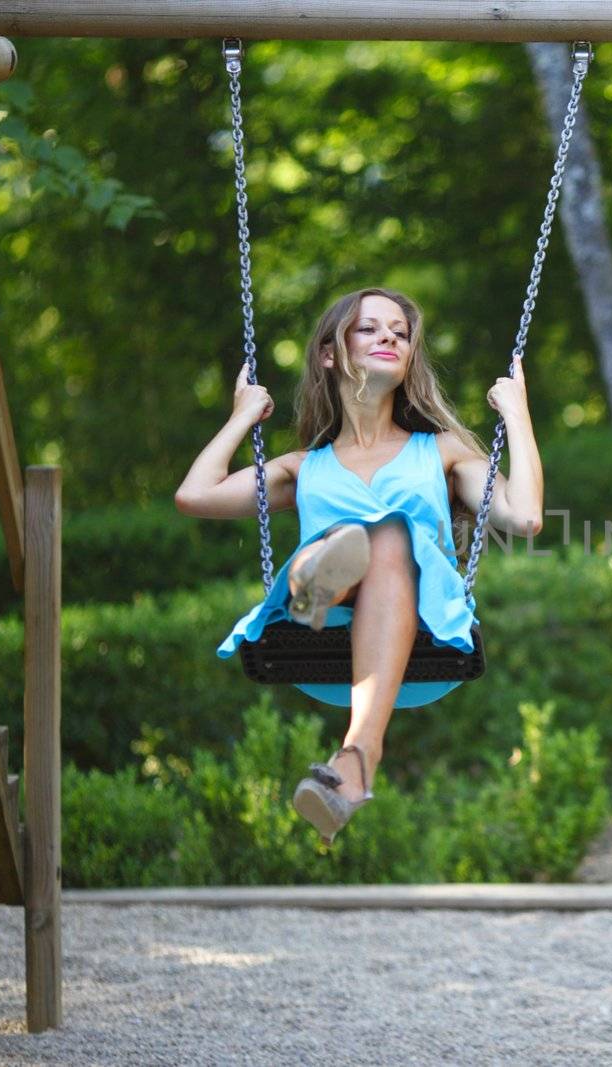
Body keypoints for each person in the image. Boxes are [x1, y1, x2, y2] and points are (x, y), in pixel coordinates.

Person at [175, 287, 544, 843]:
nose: (389, 337)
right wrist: (241, 416)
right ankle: (323, 581)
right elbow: (195, 496)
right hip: (324, 630)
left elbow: (525, 517)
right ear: (330, 353)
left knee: (390, 536)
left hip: (418, 626)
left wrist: (517, 415)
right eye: (369, 328)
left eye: (399, 331)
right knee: (370, 536)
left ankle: (358, 748)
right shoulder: (304, 467)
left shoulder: (441, 452)